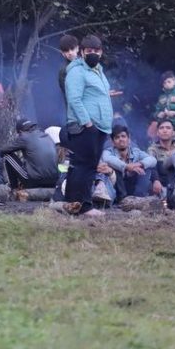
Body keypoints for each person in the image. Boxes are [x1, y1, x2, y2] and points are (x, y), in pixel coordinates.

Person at [62, 34, 114, 216]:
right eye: (89, 50)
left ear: (101, 52)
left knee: (85, 165)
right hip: (85, 126)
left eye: (96, 51)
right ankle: (84, 206)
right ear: (82, 52)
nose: (93, 53)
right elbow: (74, 100)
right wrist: (88, 123)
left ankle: (71, 204)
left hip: (100, 126)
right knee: (84, 166)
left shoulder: (98, 71)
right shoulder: (77, 71)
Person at [102, 125, 158, 200]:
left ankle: (139, 197)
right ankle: (122, 199)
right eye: (117, 137)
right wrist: (127, 167)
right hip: (116, 189)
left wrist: (139, 164)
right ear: (113, 142)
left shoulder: (136, 151)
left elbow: (153, 160)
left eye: (123, 136)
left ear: (129, 139)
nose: (121, 139)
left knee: (146, 169)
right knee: (114, 168)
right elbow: (108, 159)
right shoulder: (108, 152)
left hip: (133, 186)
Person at [0, 119, 58, 189]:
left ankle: (14, 188)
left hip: (35, 181)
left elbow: (3, 150)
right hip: (53, 181)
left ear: (21, 132)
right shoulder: (47, 136)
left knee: (8, 156)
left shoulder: (24, 137)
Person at [148, 119, 175, 195]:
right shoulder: (153, 149)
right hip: (161, 185)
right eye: (161, 128)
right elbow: (151, 167)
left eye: (168, 128)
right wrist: (155, 180)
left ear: (173, 133)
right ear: (157, 133)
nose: (165, 130)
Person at [58, 34, 79, 101]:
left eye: (72, 49)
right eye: (66, 51)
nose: (70, 53)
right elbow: (68, 93)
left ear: (77, 48)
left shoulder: (86, 64)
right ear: (62, 53)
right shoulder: (63, 72)